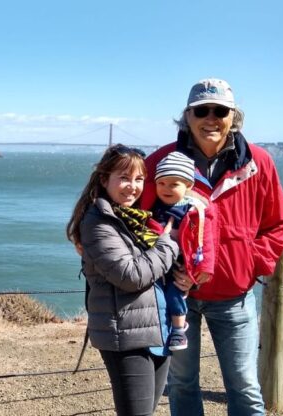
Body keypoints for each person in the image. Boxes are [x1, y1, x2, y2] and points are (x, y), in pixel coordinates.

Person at [140, 78, 283, 416]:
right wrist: (162, 264)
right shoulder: (161, 161)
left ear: (233, 116)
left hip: (235, 297)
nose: (211, 117)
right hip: (177, 297)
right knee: (181, 384)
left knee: (244, 386)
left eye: (220, 110)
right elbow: (136, 215)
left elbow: (279, 223)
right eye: (201, 110)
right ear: (188, 116)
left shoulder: (258, 162)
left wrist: (249, 264)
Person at [67, 144, 179, 415]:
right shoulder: (98, 223)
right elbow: (132, 276)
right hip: (126, 336)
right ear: (104, 179)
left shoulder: (135, 218)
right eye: (125, 177)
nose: (133, 186)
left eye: (139, 179)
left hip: (157, 329)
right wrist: (170, 244)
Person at [150, 151, 218, 352]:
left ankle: (179, 330)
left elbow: (206, 241)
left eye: (174, 184)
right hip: (158, 263)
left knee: (175, 293)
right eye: (161, 183)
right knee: (157, 296)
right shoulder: (155, 206)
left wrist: (203, 269)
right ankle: (163, 329)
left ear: (188, 186)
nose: (166, 189)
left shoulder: (196, 210)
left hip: (182, 264)